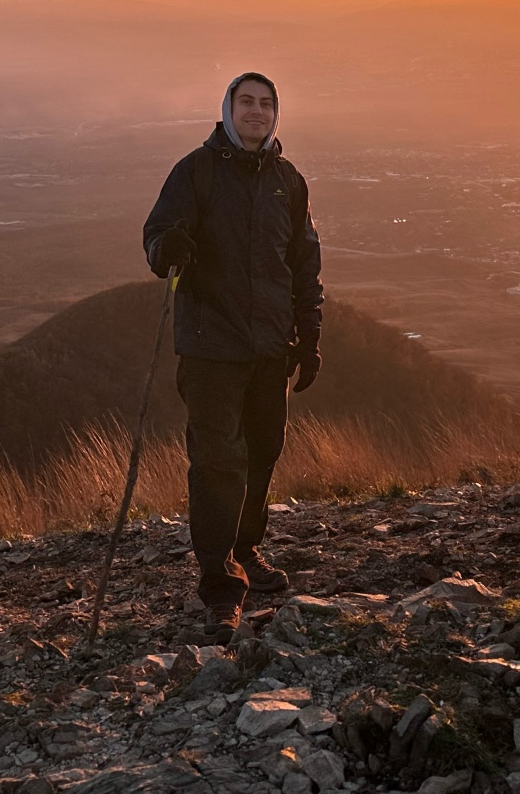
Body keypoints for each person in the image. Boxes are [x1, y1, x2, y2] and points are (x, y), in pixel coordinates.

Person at [142, 72, 324, 643]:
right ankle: (220, 585)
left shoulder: (287, 181)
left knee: (264, 450)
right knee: (218, 461)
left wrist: (309, 336)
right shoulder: (195, 172)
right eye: (245, 102)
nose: (256, 112)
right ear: (227, 109)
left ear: (276, 115)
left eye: (265, 104)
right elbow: (156, 236)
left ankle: (245, 550)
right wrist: (167, 248)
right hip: (211, 350)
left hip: (271, 348)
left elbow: (304, 267)